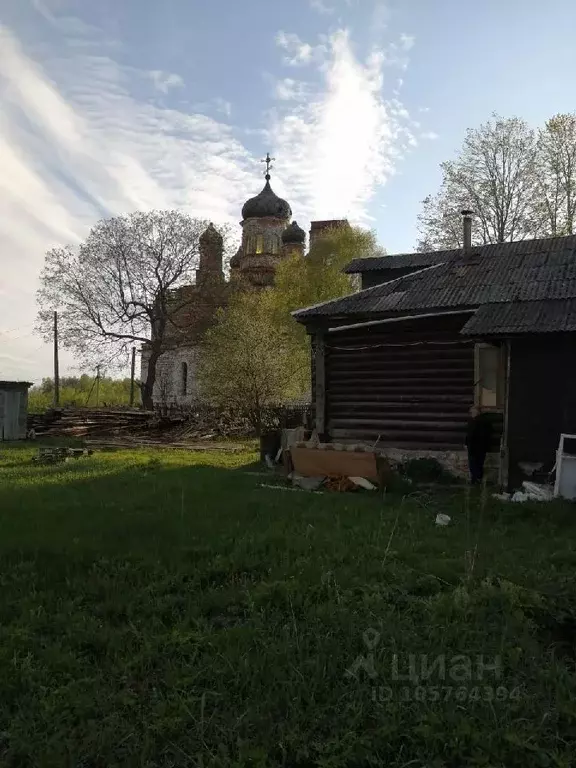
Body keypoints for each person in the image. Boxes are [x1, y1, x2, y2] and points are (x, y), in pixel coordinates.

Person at [465, 406, 493, 485]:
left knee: (473, 464)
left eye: (472, 412)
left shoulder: (474, 422)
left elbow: (470, 435)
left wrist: (467, 443)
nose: (470, 414)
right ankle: (478, 478)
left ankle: (476, 479)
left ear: (477, 412)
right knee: (479, 463)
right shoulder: (485, 421)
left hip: (474, 446)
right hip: (482, 447)